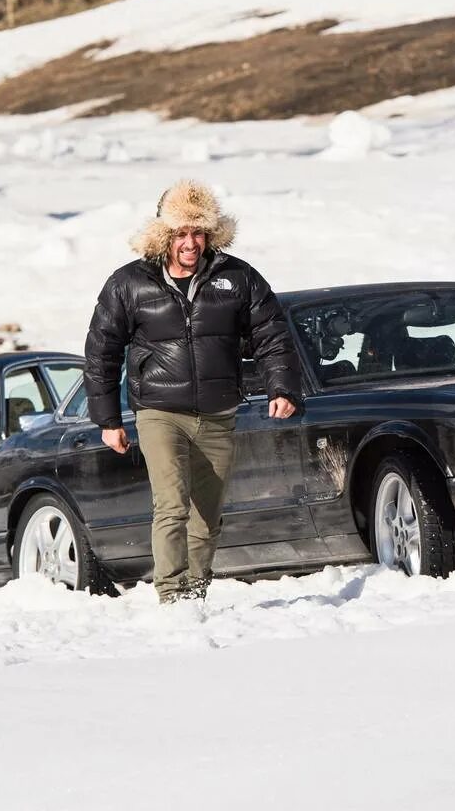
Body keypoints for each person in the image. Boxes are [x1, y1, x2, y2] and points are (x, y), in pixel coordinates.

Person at [84, 180, 301, 603]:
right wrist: (108, 420)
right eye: (181, 233)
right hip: (159, 412)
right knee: (171, 505)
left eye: (198, 233)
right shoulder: (129, 283)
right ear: (164, 235)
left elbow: (272, 335)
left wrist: (282, 386)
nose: (190, 243)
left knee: (207, 513)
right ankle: (170, 594)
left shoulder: (237, 278)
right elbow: (101, 351)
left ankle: (194, 591)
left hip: (219, 414)